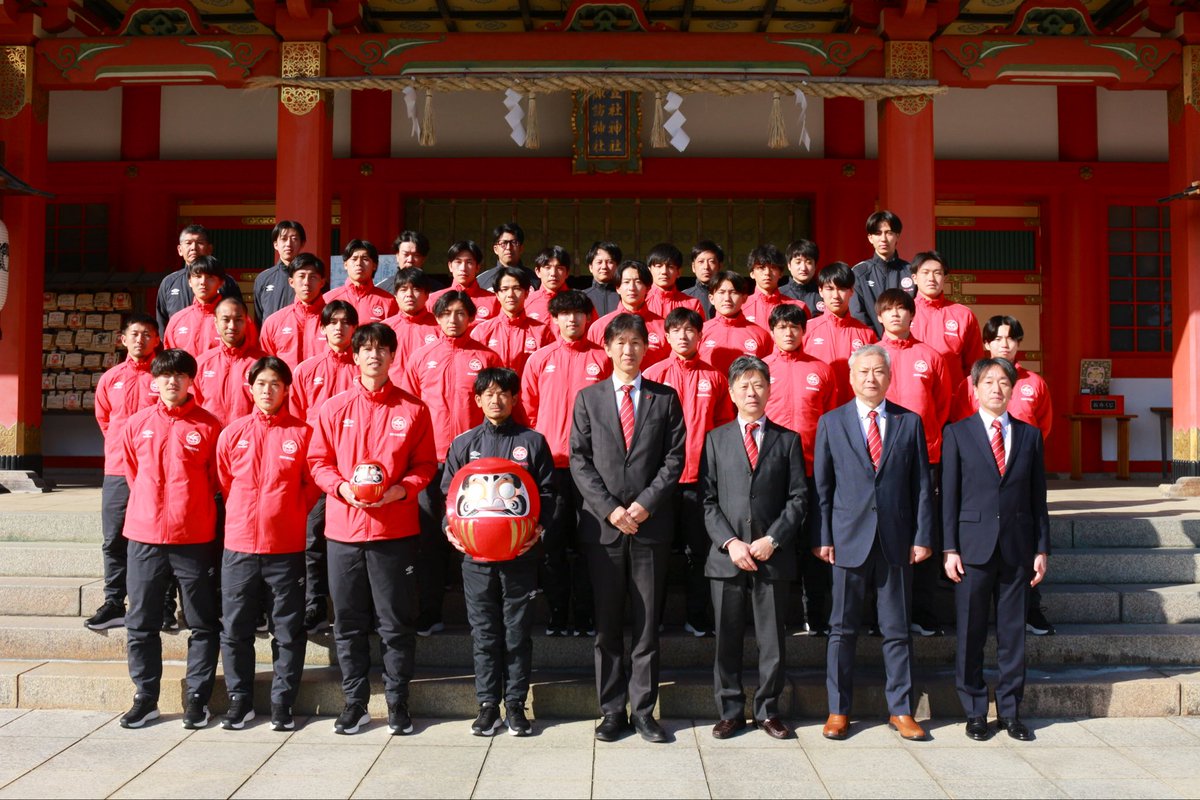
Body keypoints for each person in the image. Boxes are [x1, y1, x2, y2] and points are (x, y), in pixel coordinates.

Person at [306, 323, 439, 735]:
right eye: (365, 349)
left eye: (382, 349)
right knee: (347, 623)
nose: (373, 356)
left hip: (393, 532)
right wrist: (341, 487)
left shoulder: (413, 409)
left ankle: (398, 703)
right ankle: (355, 702)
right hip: (343, 533)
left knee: (395, 623)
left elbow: (426, 466)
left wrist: (400, 491)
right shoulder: (333, 408)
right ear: (356, 355)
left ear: (393, 356)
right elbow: (318, 462)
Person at [570, 313, 686, 744]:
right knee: (607, 623)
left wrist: (642, 506)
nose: (628, 350)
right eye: (620, 342)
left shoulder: (664, 398)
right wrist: (609, 510)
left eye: (636, 342)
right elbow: (579, 459)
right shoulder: (589, 398)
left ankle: (643, 711)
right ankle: (611, 710)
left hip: (649, 526)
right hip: (604, 530)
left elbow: (674, 459)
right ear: (607, 348)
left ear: (646, 347)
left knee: (647, 622)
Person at [813, 344, 934, 743]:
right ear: (851, 376)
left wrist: (922, 537)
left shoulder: (909, 422)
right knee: (841, 629)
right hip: (847, 539)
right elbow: (823, 489)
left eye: (878, 371)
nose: (871, 378)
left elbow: (921, 487)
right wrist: (823, 536)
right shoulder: (832, 422)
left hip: (896, 540)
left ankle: (900, 709)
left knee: (897, 629)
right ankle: (838, 709)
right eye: (863, 371)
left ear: (889, 376)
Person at [442, 367, 554, 737]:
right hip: (475, 560)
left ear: (515, 397)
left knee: (518, 632)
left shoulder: (533, 441)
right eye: (488, 393)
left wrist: (537, 529)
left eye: (503, 393)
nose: (496, 399)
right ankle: (488, 705)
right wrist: (450, 531)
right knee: (485, 633)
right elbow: (450, 498)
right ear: (477, 400)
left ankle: (517, 706)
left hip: (520, 556)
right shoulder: (463, 444)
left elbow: (549, 495)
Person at [942, 357, 1050, 742]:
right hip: (971, 548)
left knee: (1012, 635)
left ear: (1012, 388)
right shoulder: (957, 433)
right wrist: (949, 547)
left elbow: (1039, 497)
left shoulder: (1029, 435)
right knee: (970, 633)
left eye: (1004, 382)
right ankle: (974, 710)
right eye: (988, 381)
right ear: (975, 389)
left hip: (1018, 548)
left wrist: (1041, 547)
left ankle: (1010, 711)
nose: (996, 388)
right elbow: (949, 497)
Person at [702, 356, 806, 740]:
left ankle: (767, 710)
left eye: (758, 384)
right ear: (731, 392)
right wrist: (730, 543)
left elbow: (798, 499)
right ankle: (729, 710)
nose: (751, 392)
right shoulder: (715, 439)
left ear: (769, 389)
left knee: (772, 641)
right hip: (727, 557)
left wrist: (771, 539)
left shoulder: (787, 440)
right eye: (743, 386)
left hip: (771, 555)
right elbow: (707, 500)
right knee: (727, 638)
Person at [117, 348, 222, 730]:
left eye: (180, 375)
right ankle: (146, 697)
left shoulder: (211, 427)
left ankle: (198, 698)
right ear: (153, 380)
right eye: (164, 375)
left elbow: (216, 480)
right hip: (144, 536)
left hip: (193, 536)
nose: (172, 382)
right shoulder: (136, 424)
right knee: (141, 622)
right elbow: (132, 472)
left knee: (202, 622)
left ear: (192, 380)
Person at [216, 356, 316, 732]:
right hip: (239, 546)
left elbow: (309, 487)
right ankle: (239, 701)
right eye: (261, 384)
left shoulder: (303, 434)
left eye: (275, 383)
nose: (268, 390)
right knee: (236, 628)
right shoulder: (232, 434)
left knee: (287, 630)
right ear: (250, 388)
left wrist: (284, 513)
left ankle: (282, 703)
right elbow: (226, 482)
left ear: (286, 389)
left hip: (285, 547)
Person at [401, 292, 504, 635]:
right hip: (430, 461)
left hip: (476, 463)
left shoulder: (487, 357)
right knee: (430, 540)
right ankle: (430, 612)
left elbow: (499, 409)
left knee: (476, 538)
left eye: (462, 313)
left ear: (472, 317)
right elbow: (410, 410)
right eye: (447, 313)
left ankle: (481, 617)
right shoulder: (420, 357)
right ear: (438, 317)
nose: (454, 319)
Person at [950, 315, 1055, 636]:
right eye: (997, 339)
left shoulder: (1034, 383)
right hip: (979, 484)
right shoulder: (970, 382)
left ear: (1019, 344)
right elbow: (958, 424)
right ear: (986, 344)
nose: (1004, 344)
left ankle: (1030, 611)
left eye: (1011, 338)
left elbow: (1044, 426)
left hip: (1018, 477)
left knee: (1023, 550)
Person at [521, 290, 609, 637]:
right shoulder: (539, 359)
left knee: (590, 544)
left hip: (592, 467)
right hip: (551, 467)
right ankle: (558, 615)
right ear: (554, 320)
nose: (571, 319)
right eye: (564, 314)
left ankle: (586, 616)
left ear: (588, 318)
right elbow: (527, 410)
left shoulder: (603, 358)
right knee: (553, 544)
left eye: (578, 313)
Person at [644, 308, 734, 637]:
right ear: (666, 336)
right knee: (657, 553)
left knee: (699, 553)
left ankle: (696, 617)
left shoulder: (715, 377)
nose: (683, 335)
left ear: (701, 335)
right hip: (659, 483)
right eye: (676, 330)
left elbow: (725, 430)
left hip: (700, 478)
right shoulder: (653, 375)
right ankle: (653, 619)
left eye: (689, 330)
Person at [875, 289, 953, 638]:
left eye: (902, 310)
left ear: (912, 315)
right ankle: (880, 615)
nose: (896, 316)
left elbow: (942, 405)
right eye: (888, 310)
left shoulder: (930, 355)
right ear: (879, 316)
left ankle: (923, 612)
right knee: (879, 535)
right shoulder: (870, 356)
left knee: (924, 533)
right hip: (879, 460)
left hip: (927, 457)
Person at [762, 304, 838, 635]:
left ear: (804, 331)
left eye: (794, 327)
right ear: (772, 331)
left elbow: (834, 419)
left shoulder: (821, 370)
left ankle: (815, 617)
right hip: (771, 472)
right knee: (774, 543)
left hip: (812, 470)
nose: (788, 332)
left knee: (813, 545)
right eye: (781, 327)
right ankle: (773, 618)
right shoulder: (761, 370)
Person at [87, 314, 162, 631]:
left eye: (147, 334)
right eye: (135, 334)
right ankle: (115, 601)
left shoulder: (163, 378)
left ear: (157, 340)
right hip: (118, 469)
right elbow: (105, 421)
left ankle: (158, 604)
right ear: (123, 339)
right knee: (113, 538)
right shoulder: (110, 378)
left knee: (157, 540)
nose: (141, 339)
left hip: (154, 471)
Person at [290, 301, 360, 633]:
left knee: (355, 543)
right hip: (317, 468)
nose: (340, 328)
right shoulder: (305, 371)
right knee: (311, 538)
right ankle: (314, 604)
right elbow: (295, 420)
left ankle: (355, 608)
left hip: (359, 468)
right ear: (323, 328)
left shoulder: (365, 368)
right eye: (333, 322)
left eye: (347, 323)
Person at [803, 262, 878, 403]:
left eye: (842, 289)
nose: (836, 295)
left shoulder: (867, 334)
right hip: (818, 411)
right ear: (820, 291)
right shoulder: (806, 331)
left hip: (854, 412)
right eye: (829, 289)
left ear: (851, 291)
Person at [909, 250, 984, 389]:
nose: (931, 278)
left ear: (945, 278)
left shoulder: (963, 314)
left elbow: (975, 364)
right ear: (914, 278)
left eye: (937, 273)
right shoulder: (902, 312)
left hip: (952, 396)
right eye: (925, 272)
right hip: (912, 395)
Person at [155, 224, 242, 333]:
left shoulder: (225, 281)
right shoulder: (169, 282)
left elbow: (239, 315)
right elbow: (162, 322)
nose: (193, 248)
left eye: (199, 243)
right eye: (188, 243)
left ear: (210, 249)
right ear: (180, 249)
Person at [165, 256, 258, 356]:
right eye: (198, 276)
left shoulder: (240, 319)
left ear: (221, 283)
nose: (203, 282)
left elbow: (251, 356)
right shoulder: (177, 320)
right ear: (190, 281)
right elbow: (170, 363)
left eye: (210, 277)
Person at [470, 266, 554, 376]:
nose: (510, 294)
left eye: (516, 288)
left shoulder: (542, 331)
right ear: (497, 295)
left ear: (527, 293)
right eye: (504, 289)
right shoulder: (482, 331)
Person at [193, 297, 264, 426]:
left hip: (248, 438)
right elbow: (195, 407)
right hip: (210, 438)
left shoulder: (263, 364)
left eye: (238, 320)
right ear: (215, 322)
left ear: (246, 322)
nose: (232, 326)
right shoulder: (202, 363)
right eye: (226, 320)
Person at [586, 260, 669, 368]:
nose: (632, 288)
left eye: (638, 282)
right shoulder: (600, 327)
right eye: (626, 282)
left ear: (648, 288)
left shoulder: (663, 327)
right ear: (618, 288)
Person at [258, 252, 328, 370]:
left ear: (322, 282)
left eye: (312, 277)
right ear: (291, 282)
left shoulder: (333, 320)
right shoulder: (274, 322)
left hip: (323, 387)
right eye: (301, 276)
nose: (306, 282)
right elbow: (267, 366)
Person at [850, 211, 914, 337]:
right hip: (872, 346)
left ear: (897, 236)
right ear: (870, 238)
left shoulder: (910, 272)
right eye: (878, 233)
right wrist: (876, 343)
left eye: (889, 233)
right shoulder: (859, 272)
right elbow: (857, 313)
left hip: (905, 344)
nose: (883, 239)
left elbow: (917, 312)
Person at [700, 270, 774, 377]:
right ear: (711, 298)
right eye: (721, 292)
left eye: (733, 292)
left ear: (744, 298)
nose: (727, 299)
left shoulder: (761, 335)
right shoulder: (700, 331)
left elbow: (769, 374)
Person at [382, 267, 441, 379]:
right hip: (393, 392)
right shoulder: (384, 328)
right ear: (395, 295)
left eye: (416, 289)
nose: (409, 294)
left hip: (426, 393)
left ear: (427, 295)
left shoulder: (440, 327)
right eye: (403, 289)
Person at [324, 239, 398, 325]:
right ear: (345, 265)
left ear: (374, 265)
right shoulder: (328, 299)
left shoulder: (388, 301)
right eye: (354, 259)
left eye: (365, 259)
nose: (358, 263)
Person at [427, 240, 500, 324]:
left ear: (477, 267)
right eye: (458, 262)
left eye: (469, 262)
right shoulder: (434, 299)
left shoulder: (494, 301)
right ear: (450, 266)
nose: (463, 268)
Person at [525, 246, 589, 334]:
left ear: (567, 273)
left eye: (559, 268)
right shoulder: (527, 303)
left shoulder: (581, 302)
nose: (553, 273)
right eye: (547, 267)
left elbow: (594, 335)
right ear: (538, 272)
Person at [741, 244, 808, 329]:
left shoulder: (798, 307)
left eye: (773, 267)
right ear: (752, 273)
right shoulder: (741, 307)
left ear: (781, 273)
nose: (767, 273)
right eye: (761, 268)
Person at [253, 220, 307, 323]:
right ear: (275, 245)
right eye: (284, 239)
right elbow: (259, 318)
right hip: (272, 337)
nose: (288, 244)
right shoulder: (263, 278)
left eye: (294, 239)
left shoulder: (311, 277)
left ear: (302, 243)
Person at [645, 243, 705, 319]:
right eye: (658, 266)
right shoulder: (639, 301)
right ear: (649, 270)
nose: (664, 271)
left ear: (679, 272)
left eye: (670, 266)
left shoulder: (692, 304)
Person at [478, 222, 538, 292]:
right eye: (503, 243)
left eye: (514, 242)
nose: (508, 247)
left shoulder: (535, 280)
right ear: (495, 249)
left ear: (521, 248)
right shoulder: (482, 281)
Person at [377, 230, 431, 296]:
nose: (410, 260)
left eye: (416, 255)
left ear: (423, 259)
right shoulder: (382, 289)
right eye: (406, 254)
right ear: (397, 256)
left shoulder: (436, 290)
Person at [780, 239, 823, 315]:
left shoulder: (823, 294)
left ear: (815, 266)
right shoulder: (779, 294)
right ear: (789, 266)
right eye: (798, 262)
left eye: (808, 262)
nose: (803, 268)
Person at [581, 241, 622, 317]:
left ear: (617, 266)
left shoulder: (625, 295)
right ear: (591, 267)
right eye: (599, 262)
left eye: (610, 262)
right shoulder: (582, 297)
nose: (604, 267)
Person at [683, 241, 722, 318]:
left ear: (719, 266)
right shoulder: (684, 297)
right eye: (701, 262)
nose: (706, 267)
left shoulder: (728, 295)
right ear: (693, 267)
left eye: (711, 262)